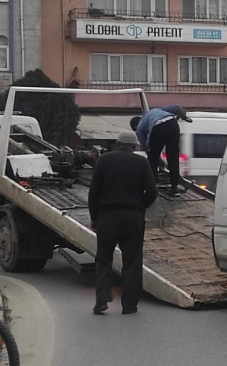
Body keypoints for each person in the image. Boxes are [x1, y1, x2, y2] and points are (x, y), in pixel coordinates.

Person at [88, 131, 158, 315]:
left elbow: (93, 192)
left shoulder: (104, 160)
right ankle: (129, 305)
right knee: (132, 262)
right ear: (134, 146)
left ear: (117, 144)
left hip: (107, 216)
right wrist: (140, 207)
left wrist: (94, 217)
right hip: (133, 218)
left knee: (103, 259)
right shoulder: (142, 163)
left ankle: (102, 300)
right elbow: (152, 192)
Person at [129, 105, 192, 197]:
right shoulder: (155, 111)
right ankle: (175, 188)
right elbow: (175, 107)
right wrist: (183, 115)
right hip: (173, 124)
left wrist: (158, 160)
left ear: (135, 126)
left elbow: (147, 148)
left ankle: (152, 186)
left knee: (152, 159)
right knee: (173, 157)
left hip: (158, 127)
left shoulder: (139, 127)